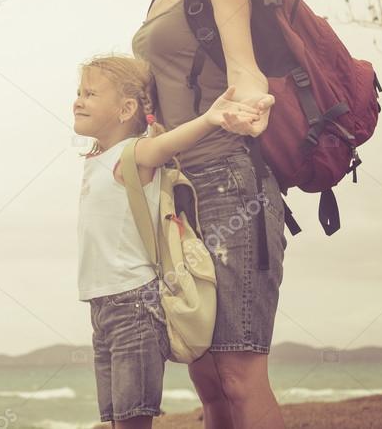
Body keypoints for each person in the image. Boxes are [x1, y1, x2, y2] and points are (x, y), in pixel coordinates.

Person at [129, 0, 285, 429]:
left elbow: (243, 66)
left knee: (239, 374)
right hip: (181, 188)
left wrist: (252, 104)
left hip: (230, 179)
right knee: (205, 374)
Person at [73, 54, 260, 428]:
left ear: (126, 108)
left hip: (134, 305)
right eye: (78, 92)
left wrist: (209, 119)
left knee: (133, 419)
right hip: (102, 307)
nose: (78, 99)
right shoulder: (95, 161)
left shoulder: (136, 153)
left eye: (90, 93)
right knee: (115, 418)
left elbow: (166, 144)